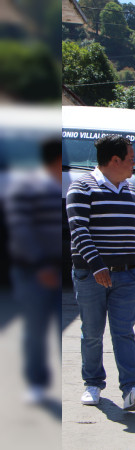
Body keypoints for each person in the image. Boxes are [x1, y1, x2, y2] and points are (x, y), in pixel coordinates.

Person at [66, 134, 135, 411]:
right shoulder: (81, 187)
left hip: (126, 275)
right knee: (92, 332)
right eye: (131, 159)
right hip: (92, 275)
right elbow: (78, 229)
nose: (134, 164)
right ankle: (92, 383)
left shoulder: (131, 190)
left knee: (124, 332)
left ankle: (131, 388)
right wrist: (97, 265)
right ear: (115, 160)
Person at [6, 139, 62, 404]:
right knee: (36, 329)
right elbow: (21, 231)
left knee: (63, 329)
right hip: (33, 272)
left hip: (61, 270)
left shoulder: (65, 186)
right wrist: (41, 266)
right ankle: (36, 382)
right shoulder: (26, 187)